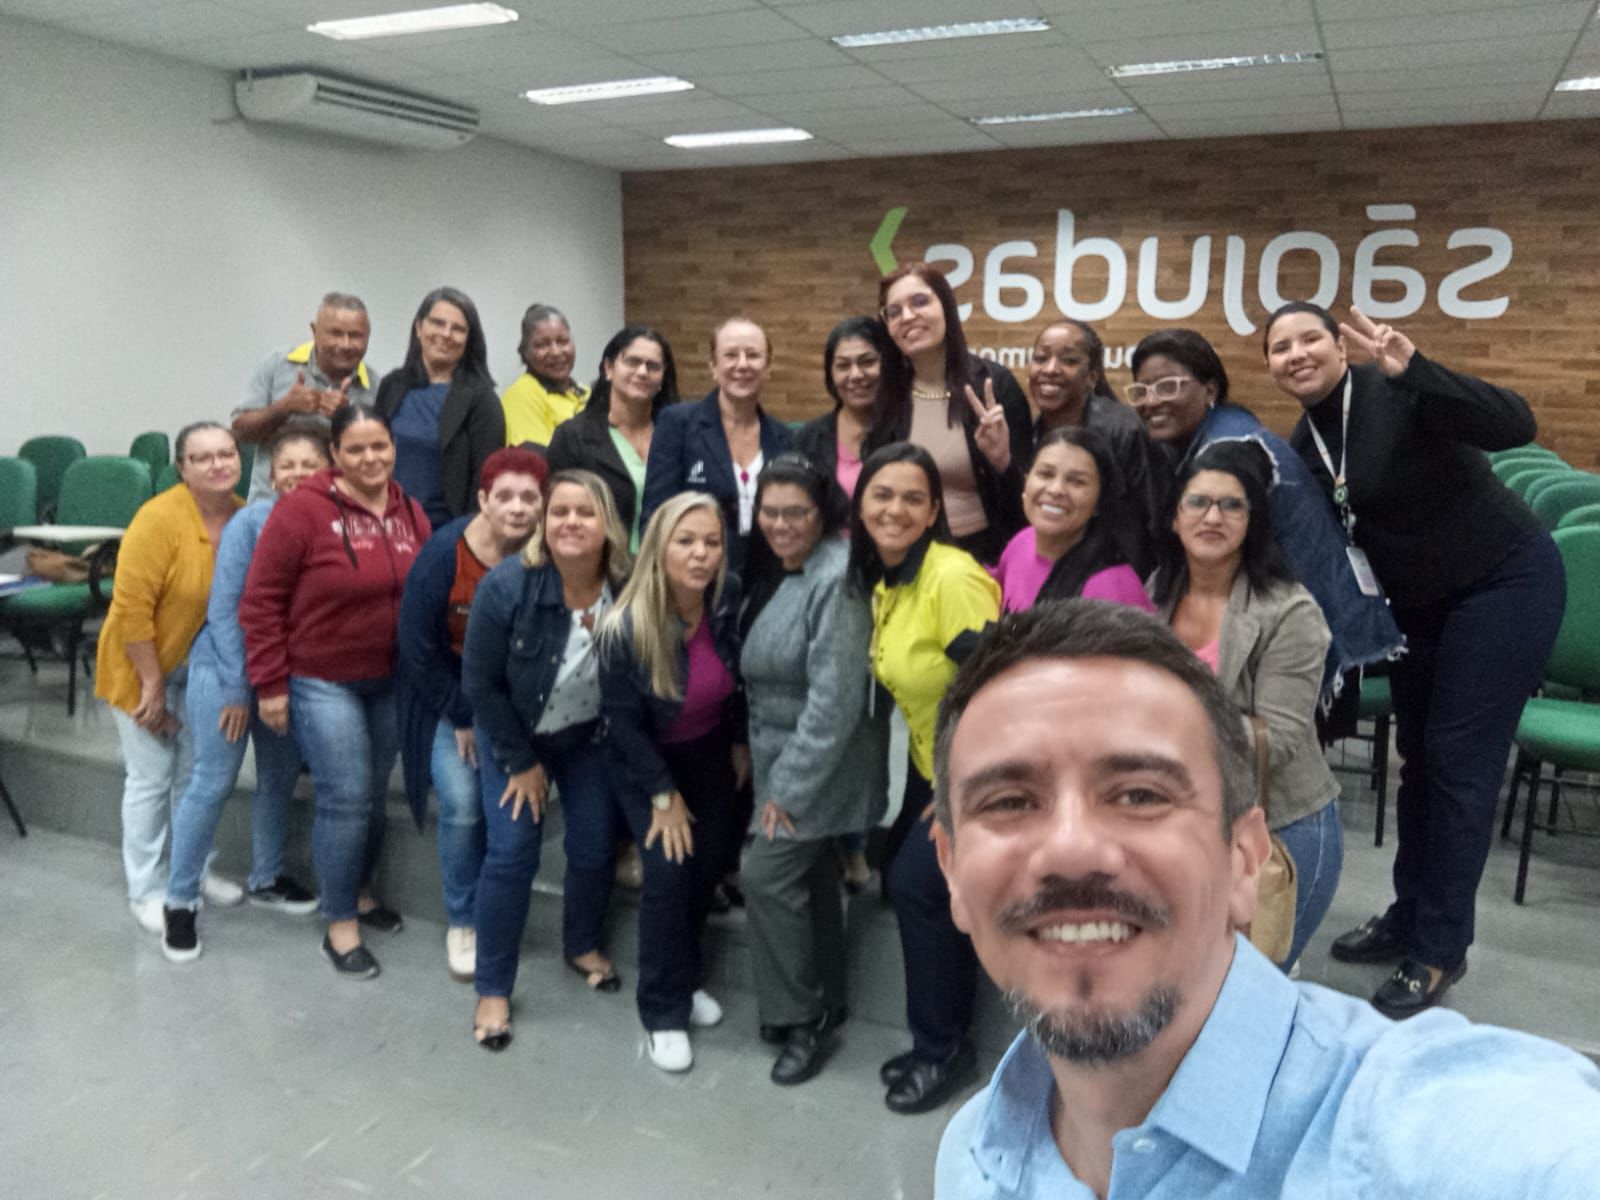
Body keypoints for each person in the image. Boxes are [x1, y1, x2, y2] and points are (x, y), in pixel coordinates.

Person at [930, 601, 1600, 1198]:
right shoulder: (971, 1154)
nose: (1072, 851)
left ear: (1245, 860)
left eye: (1140, 795)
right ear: (952, 870)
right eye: (1009, 802)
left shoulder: (1402, 1128)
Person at [1264, 302, 1565, 1017]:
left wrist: (1421, 370)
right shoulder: (1306, 443)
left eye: (1310, 338)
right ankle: (1408, 914)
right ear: (1270, 366)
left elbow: (1516, 424)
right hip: (1419, 607)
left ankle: (1439, 948)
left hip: (1502, 581)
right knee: (1420, 765)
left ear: (1341, 347)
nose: (1296, 353)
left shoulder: (1396, 389)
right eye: (1279, 347)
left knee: (1459, 764)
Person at [240, 404, 429, 980]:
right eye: (356, 449)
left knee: (371, 794)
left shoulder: (409, 509)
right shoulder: (302, 511)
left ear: (393, 448)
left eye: (380, 446)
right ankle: (340, 921)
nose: (371, 458)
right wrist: (270, 685)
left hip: (390, 680)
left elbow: (426, 589)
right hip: (321, 679)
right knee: (345, 795)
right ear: (336, 455)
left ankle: (360, 892)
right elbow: (261, 602)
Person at [846, 442, 1000, 1114]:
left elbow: (998, 692)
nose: (896, 509)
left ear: (936, 510)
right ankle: (935, 1034)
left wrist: (960, 793)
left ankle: (942, 1050)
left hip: (971, 768)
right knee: (901, 877)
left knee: (918, 883)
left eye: (914, 498)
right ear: (860, 504)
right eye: (882, 494)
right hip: (925, 758)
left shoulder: (950, 578)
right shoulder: (889, 578)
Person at [1128, 328, 1401, 705]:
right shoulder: (1224, 427)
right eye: (1141, 390)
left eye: (1168, 386)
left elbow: (1213, 558)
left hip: (1303, 635)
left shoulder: (1228, 451)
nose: (1151, 401)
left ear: (1209, 389)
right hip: (1306, 620)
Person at [1150, 441, 1344, 969]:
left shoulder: (1290, 611)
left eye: (1232, 505)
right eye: (1198, 502)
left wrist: (1157, 722)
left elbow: (1277, 740)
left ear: (1252, 521)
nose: (1213, 516)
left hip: (1280, 826)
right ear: (1174, 517)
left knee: (1251, 984)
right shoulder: (1158, 592)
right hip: (1190, 822)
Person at [461, 469, 633, 1051]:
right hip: (516, 736)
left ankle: (580, 943)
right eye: (559, 511)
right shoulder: (509, 586)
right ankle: (492, 988)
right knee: (512, 850)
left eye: (586, 512)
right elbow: (480, 684)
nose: (570, 522)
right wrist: (519, 762)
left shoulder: (628, 583)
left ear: (608, 523)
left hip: (586, 737)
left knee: (594, 844)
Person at [739, 453, 888, 1086]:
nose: (780, 524)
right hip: (781, 751)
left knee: (765, 873)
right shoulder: (781, 567)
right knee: (814, 874)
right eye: (769, 512)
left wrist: (789, 791)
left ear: (823, 514)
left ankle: (802, 1018)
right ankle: (829, 997)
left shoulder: (837, 578)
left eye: (795, 512)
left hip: (820, 762)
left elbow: (834, 703)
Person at [160, 431, 328, 963]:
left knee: (278, 778)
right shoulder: (250, 524)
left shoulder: (331, 524)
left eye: (309, 464)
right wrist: (238, 688)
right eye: (287, 465)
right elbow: (226, 610)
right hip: (226, 671)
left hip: (283, 676)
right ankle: (180, 900)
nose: (297, 474)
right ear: (271, 475)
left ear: (328, 471)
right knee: (213, 781)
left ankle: (267, 877)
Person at [598, 492, 750, 1073]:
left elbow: (738, 683)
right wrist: (662, 796)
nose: (701, 554)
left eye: (712, 542)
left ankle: (686, 981)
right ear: (659, 549)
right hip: (647, 761)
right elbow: (623, 724)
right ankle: (661, 1010)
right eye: (686, 541)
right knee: (668, 872)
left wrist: (738, 741)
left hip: (709, 751)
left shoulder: (727, 599)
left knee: (706, 868)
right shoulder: (625, 625)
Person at [396, 447, 548, 983]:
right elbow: (416, 647)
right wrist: (463, 713)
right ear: (483, 500)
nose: (517, 507)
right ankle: (463, 919)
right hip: (448, 698)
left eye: (529, 497)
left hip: (515, 704)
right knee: (462, 802)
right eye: (504, 496)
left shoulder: (551, 552)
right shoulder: (445, 554)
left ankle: (499, 907)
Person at [97, 422, 245, 935]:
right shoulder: (157, 518)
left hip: (203, 671)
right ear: (182, 468)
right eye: (202, 457)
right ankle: (145, 888)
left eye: (226, 453)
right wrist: (152, 686)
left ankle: (191, 871)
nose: (218, 464)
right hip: (141, 665)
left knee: (193, 777)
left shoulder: (245, 516)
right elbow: (131, 609)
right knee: (151, 777)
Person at [867, 263, 1031, 565]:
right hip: (910, 556)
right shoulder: (887, 396)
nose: (908, 317)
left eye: (920, 302)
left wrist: (1002, 461)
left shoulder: (993, 385)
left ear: (946, 307)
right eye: (894, 311)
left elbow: (1027, 500)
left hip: (987, 558)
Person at [639, 316, 794, 578]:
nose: (742, 364)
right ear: (713, 366)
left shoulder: (785, 438)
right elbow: (657, 515)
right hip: (696, 579)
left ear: (768, 367)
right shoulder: (678, 424)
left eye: (753, 355)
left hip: (767, 582)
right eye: (731, 355)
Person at [1027, 319, 1157, 572]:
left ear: (1092, 377)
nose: (1050, 369)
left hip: (1115, 575)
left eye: (1069, 360)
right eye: (1041, 358)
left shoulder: (1124, 430)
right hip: (1052, 570)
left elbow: (1151, 521)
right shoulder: (1029, 431)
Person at [375, 286, 505, 527]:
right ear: (419, 327)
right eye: (437, 323)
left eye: (458, 329)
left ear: (469, 339)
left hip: (447, 533)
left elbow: (485, 484)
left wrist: (464, 539)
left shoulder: (483, 400)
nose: (446, 334)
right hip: (386, 527)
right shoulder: (392, 385)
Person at [991, 427, 1153, 616]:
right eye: (1046, 474)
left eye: (1077, 481)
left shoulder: (1112, 588)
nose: (1055, 489)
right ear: (1026, 483)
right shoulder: (1022, 542)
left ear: (1099, 502)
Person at [547, 325, 678, 553]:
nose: (642, 372)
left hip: (666, 565)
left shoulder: (677, 435)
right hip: (598, 567)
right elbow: (554, 512)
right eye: (632, 362)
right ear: (609, 368)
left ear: (662, 377)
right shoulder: (573, 437)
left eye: (653, 366)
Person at [232, 293, 374, 501]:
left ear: (368, 337)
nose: (345, 344)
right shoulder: (277, 364)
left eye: (355, 336)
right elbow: (240, 433)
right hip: (269, 504)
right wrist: (283, 408)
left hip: (338, 508)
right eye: (335, 333)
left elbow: (375, 460)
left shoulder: (377, 386)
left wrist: (346, 420)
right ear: (314, 331)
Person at [796, 316, 890, 503]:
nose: (855, 375)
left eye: (867, 361)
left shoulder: (908, 428)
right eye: (843, 365)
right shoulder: (808, 438)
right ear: (831, 374)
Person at [500, 303, 588, 449]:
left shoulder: (586, 392)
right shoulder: (520, 396)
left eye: (563, 341)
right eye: (542, 345)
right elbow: (537, 458)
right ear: (525, 352)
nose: (556, 352)